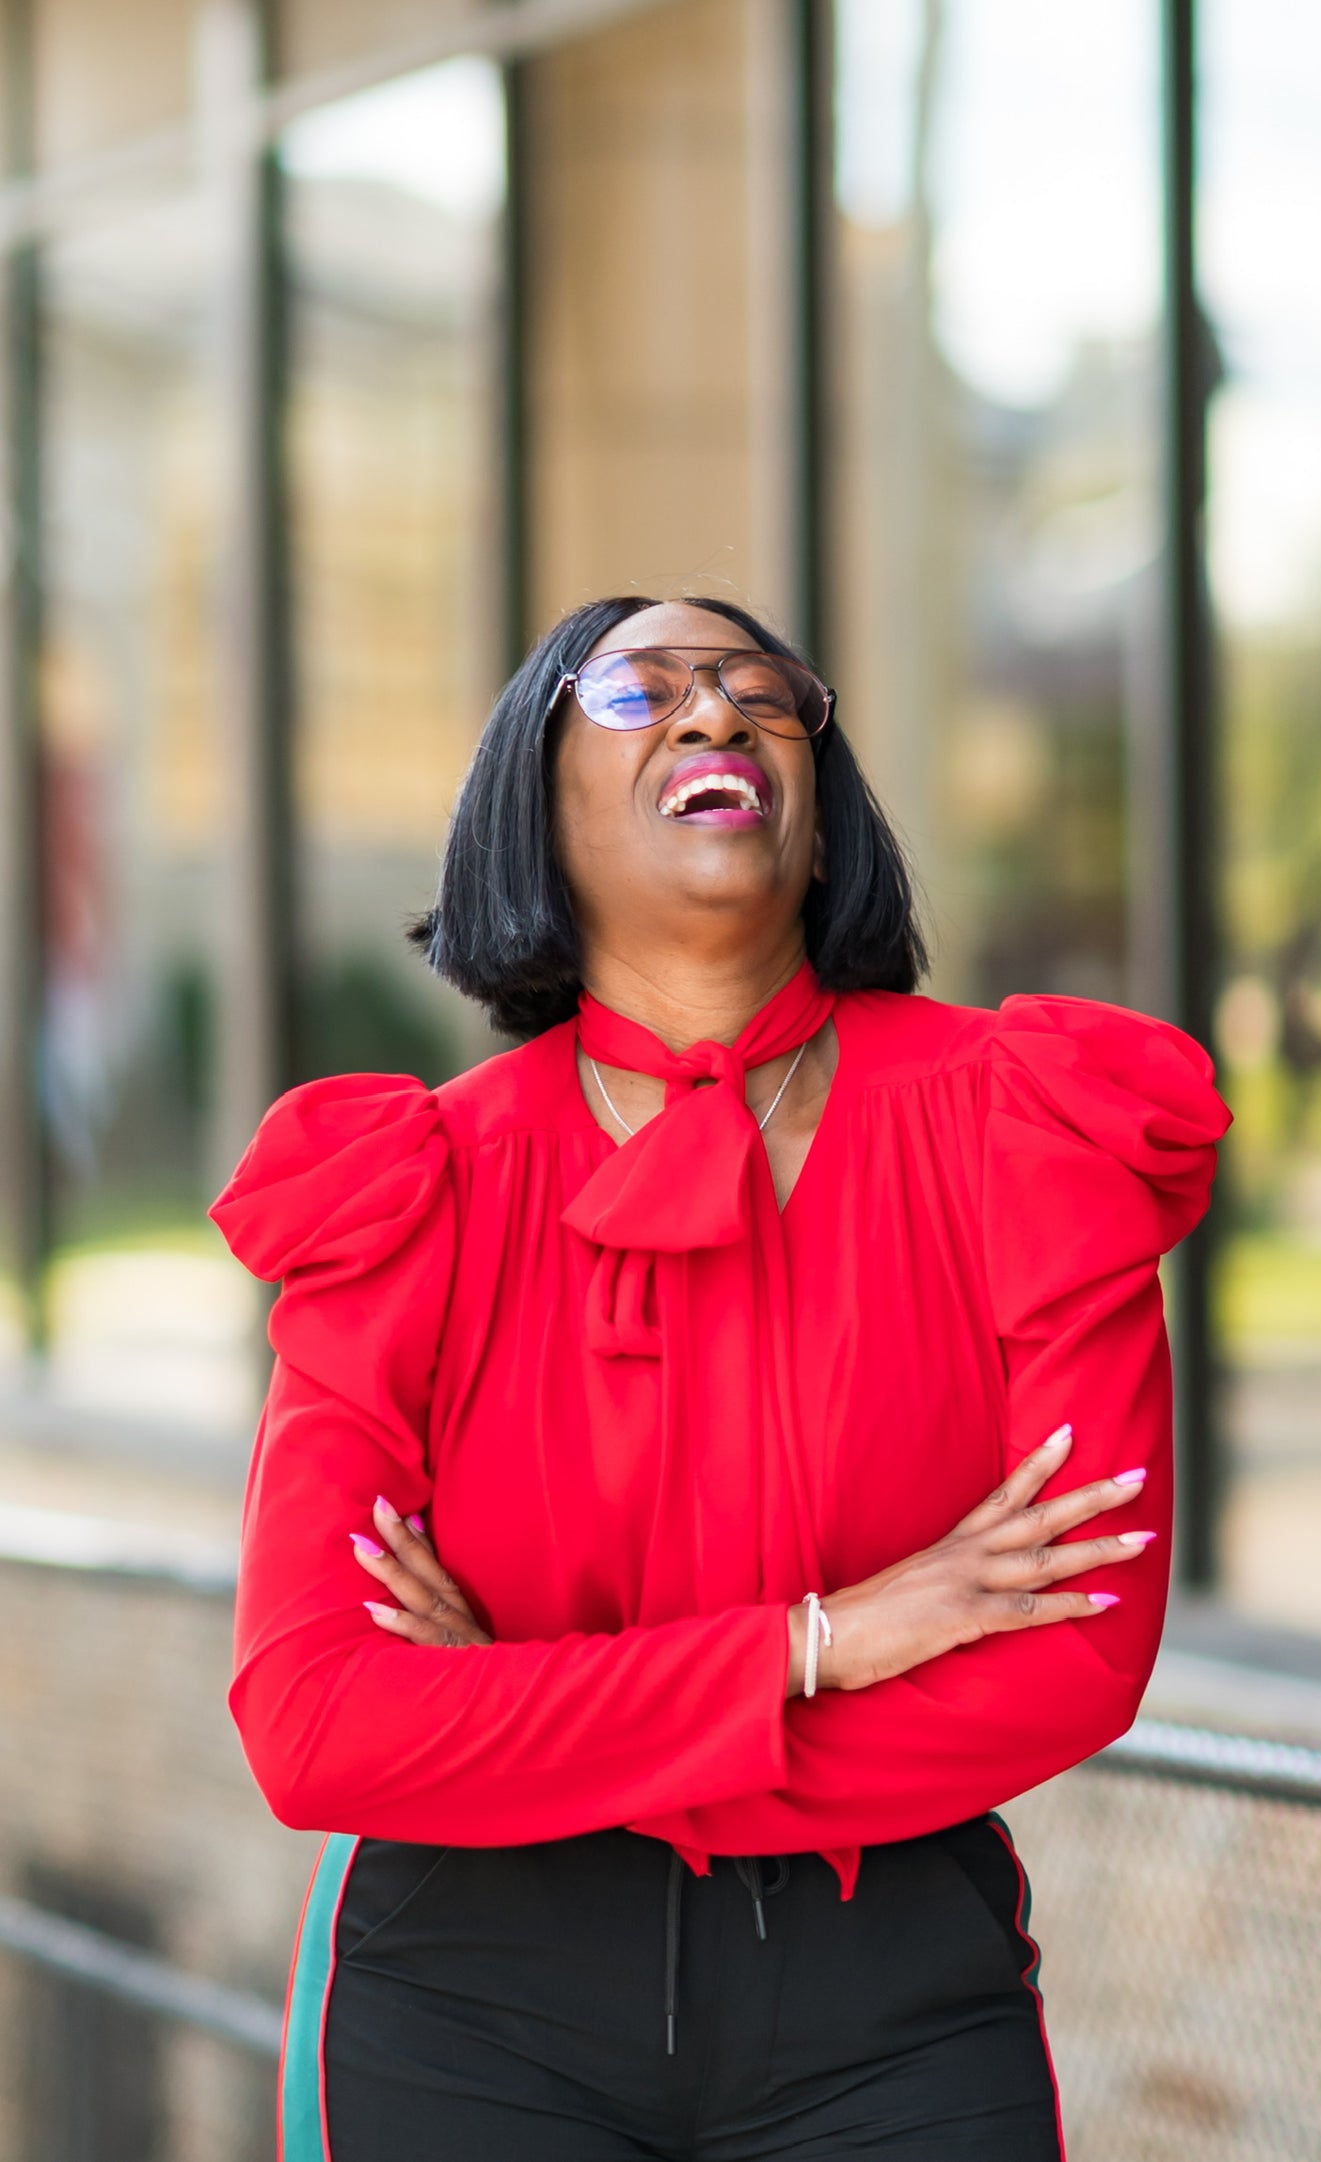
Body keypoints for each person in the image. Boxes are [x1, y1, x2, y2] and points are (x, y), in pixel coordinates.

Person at [212, 593, 1229, 2162]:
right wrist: (832, 1641)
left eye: (764, 693)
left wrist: (518, 1710)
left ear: (821, 828)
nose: (716, 714)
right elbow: (313, 1721)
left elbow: (1073, 1655)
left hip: (892, 2008)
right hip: (468, 2003)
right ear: (530, 815)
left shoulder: (1017, 1129)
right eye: (641, 691)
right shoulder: (416, 1185)